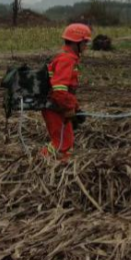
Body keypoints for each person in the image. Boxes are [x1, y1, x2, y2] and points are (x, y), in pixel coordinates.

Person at [41, 23, 91, 161]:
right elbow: (59, 89)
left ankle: (61, 164)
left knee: (66, 142)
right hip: (54, 107)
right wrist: (69, 109)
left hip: (58, 105)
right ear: (76, 43)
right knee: (61, 144)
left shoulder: (68, 58)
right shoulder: (66, 60)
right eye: (85, 42)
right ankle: (42, 161)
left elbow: (67, 91)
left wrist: (76, 108)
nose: (86, 46)